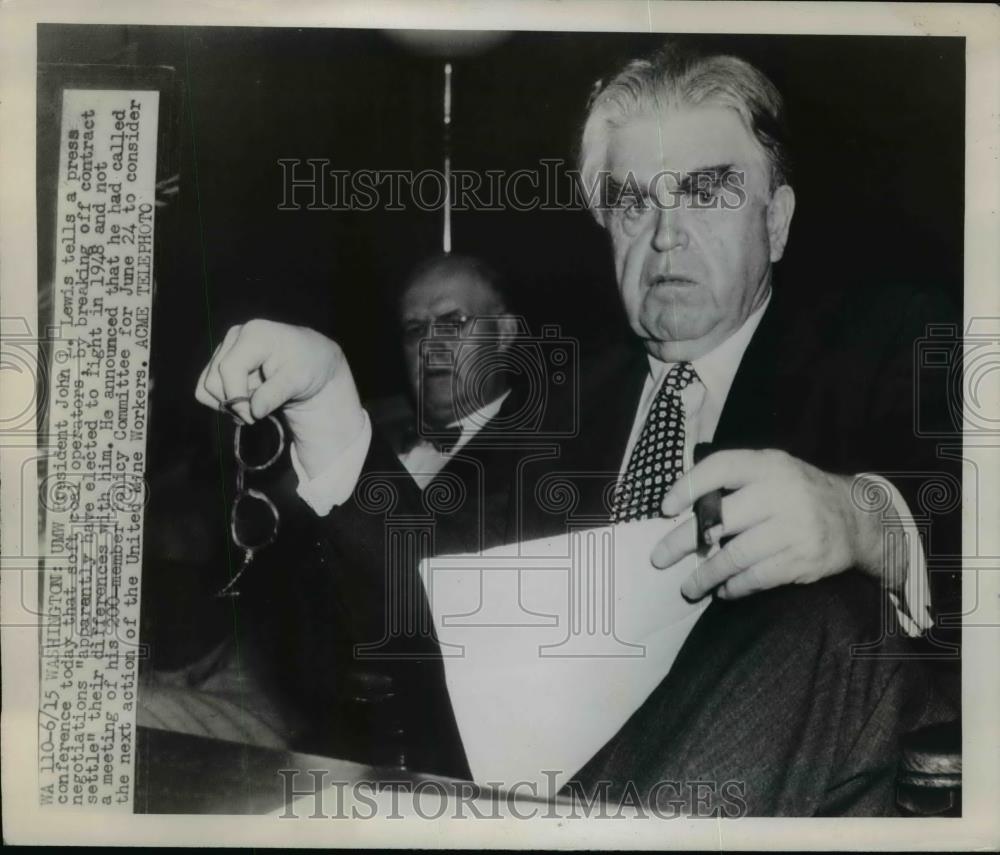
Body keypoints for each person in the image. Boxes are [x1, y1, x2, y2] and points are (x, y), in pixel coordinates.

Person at [194, 42, 957, 814]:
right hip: (544, 795)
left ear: (778, 221)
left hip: (785, 780)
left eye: (705, 193)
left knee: (827, 611)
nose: (664, 234)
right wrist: (329, 404)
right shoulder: (555, 403)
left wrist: (862, 522)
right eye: (634, 203)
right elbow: (422, 591)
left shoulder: (886, 343)